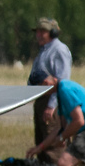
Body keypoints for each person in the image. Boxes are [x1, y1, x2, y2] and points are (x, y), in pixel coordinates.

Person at [28, 18, 72, 146]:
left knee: (53, 145)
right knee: (41, 143)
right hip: (41, 100)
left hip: (52, 103)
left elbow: (62, 80)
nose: (39, 35)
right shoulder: (44, 50)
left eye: (43, 31)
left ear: (53, 33)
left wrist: (51, 106)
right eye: (38, 31)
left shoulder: (59, 50)